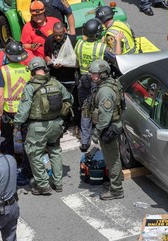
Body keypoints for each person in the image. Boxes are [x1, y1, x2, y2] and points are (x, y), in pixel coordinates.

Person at [14, 57, 73, 195]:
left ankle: (43, 185)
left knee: (34, 154)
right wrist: (62, 114)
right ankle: (58, 183)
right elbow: (70, 98)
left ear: (32, 71)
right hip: (56, 124)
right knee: (55, 151)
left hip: (38, 127)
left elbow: (24, 110)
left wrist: (16, 124)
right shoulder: (56, 83)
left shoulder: (30, 87)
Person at [74, 18, 121, 152]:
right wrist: (117, 40)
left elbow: (76, 63)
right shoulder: (102, 47)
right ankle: (100, 133)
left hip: (83, 80)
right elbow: (117, 56)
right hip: (97, 80)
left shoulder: (79, 44)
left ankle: (84, 141)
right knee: (101, 108)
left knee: (85, 109)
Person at [88, 59, 124, 200]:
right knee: (113, 156)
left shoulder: (105, 91)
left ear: (103, 74)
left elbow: (105, 116)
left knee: (112, 159)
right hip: (113, 125)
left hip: (108, 127)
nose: (92, 76)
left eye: (95, 74)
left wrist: (96, 132)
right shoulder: (110, 83)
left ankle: (116, 190)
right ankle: (116, 181)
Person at [0, 39, 31, 155]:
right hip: (25, 111)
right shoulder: (27, 70)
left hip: (9, 112)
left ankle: (9, 163)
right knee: (27, 139)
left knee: (7, 140)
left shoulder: (3, 71)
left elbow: (0, 94)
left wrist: (1, 114)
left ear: (8, 56)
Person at [44, 22, 79, 129]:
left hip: (71, 77)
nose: (58, 37)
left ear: (65, 32)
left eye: (60, 35)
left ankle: (76, 122)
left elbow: (77, 57)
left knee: (74, 101)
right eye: (56, 35)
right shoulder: (49, 40)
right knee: (60, 101)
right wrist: (51, 62)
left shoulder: (72, 41)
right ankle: (64, 121)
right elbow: (46, 55)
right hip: (57, 77)